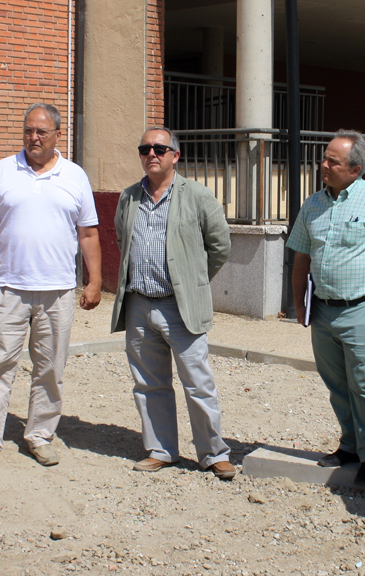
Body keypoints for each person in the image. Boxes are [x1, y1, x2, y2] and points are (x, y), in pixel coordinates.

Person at [0, 103, 102, 470]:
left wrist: (95, 279)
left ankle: (40, 435)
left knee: (50, 367)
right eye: (28, 130)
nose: (33, 137)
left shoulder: (74, 176)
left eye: (41, 131)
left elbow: (87, 233)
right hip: (7, 288)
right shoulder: (2, 171)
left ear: (57, 135)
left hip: (57, 290)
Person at [287, 129, 365, 487]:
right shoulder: (313, 203)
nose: (323, 165)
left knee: (364, 384)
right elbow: (301, 255)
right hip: (323, 311)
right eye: (324, 158)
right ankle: (349, 446)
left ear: (356, 169)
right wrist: (299, 303)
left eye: (333, 161)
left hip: (362, 309)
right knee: (337, 384)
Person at [110, 127, 236, 480]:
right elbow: (122, 236)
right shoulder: (129, 197)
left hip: (180, 306)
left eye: (159, 149)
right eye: (145, 148)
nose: (152, 154)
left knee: (197, 383)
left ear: (175, 156)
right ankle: (161, 450)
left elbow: (220, 246)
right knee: (149, 383)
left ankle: (213, 453)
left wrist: (192, 281)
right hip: (139, 304)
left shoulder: (197, 195)